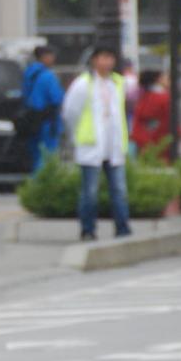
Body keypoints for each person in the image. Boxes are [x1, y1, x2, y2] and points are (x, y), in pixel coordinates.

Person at [62, 45, 131, 241]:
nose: (107, 62)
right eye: (103, 58)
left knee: (119, 189)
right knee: (90, 191)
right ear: (94, 60)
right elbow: (70, 112)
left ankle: (122, 227)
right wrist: (78, 135)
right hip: (91, 145)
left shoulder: (117, 83)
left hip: (113, 145)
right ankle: (88, 229)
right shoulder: (84, 83)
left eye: (110, 58)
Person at [20, 45, 64, 170]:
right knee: (46, 157)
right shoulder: (48, 76)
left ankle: (33, 185)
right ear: (44, 57)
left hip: (31, 120)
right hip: (47, 122)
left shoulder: (29, 73)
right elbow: (57, 98)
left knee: (35, 154)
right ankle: (43, 185)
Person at [130, 68, 175, 155]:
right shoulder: (163, 97)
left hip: (145, 138)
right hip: (159, 139)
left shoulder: (145, 95)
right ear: (159, 80)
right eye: (166, 78)